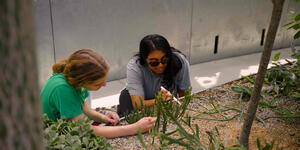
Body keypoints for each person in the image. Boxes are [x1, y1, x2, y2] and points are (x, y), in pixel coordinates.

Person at [41, 49, 156, 138]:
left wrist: (103, 117)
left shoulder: (73, 78)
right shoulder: (63, 89)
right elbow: (84, 129)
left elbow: (82, 106)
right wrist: (135, 128)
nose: (105, 85)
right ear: (83, 81)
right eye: (98, 84)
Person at [117, 34, 191, 116]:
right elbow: (137, 104)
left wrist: (180, 110)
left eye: (164, 60)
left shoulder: (179, 62)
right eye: (154, 62)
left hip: (165, 104)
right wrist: (159, 101)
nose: (160, 65)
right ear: (145, 60)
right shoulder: (135, 66)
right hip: (138, 104)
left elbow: (184, 95)